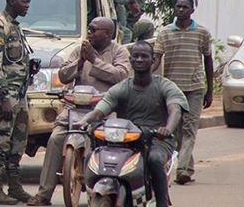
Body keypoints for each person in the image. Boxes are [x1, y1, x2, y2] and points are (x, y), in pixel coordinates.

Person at [26, 17, 130, 206]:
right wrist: (80, 62)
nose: (89, 32)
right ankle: (44, 194)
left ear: (107, 33)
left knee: (108, 146)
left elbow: (121, 76)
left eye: (94, 29)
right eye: (89, 29)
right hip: (76, 108)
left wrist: (95, 61)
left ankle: (102, 193)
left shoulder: (119, 51)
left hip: (103, 110)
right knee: (55, 139)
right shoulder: (80, 49)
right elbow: (63, 75)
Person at [77, 41, 188, 207]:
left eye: (144, 56)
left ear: (153, 60)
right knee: (94, 155)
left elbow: (175, 110)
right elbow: (101, 109)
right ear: (130, 60)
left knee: (155, 159)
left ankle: (162, 201)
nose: (140, 59)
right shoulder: (122, 87)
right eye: (135, 56)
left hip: (157, 138)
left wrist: (167, 129)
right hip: (125, 138)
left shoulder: (165, 86)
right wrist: (85, 120)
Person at [153, 0, 214, 185]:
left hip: (195, 88)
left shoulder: (202, 33)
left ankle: (181, 169)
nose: (181, 10)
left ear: (192, 10)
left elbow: (208, 61)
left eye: (185, 7)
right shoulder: (165, 33)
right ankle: (188, 167)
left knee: (190, 129)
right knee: (176, 131)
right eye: (178, 6)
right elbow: (156, 59)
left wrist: (210, 90)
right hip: (172, 90)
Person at [0, 0, 34, 204]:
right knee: (0, 142)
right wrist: (4, 97)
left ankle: (14, 187)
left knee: (17, 143)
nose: (28, 5)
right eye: (24, 1)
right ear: (12, 1)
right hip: (6, 96)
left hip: (19, 94)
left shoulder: (14, 25)